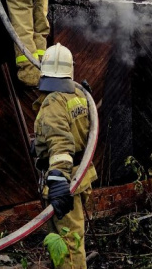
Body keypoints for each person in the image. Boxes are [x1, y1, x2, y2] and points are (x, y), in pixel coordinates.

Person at [32, 44, 97, 269]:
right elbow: (78, 130)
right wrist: (39, 144)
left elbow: (61, 142)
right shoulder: (79, 94)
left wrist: (58, 179)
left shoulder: (53, 101)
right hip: (81, 175)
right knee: (69, 237)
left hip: (65, 181)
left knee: (68, 243)